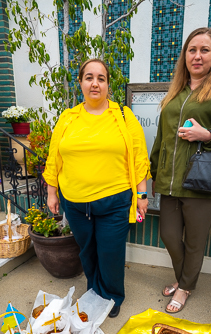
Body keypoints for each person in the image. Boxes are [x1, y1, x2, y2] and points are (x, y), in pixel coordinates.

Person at [43, 58, 150, 318]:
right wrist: (52, 192)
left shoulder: (123, 116)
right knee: (87, 250)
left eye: (101, 78)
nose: (95, 83)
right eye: (89, 77)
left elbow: (138, 157)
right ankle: (94, 290)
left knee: (110, 252)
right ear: (80, 82)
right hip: (76, 202)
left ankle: (111, 297)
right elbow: (54, 157)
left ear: (107, 85)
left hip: (114, 201)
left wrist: (142, 195)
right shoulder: (67, 118)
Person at [150, 27, 211, 313]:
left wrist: (208, 136)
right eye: (192, 50)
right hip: (169, 180)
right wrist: (154, 173)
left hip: (201, 182)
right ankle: (184, 279)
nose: (198, 56)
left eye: (205, 50)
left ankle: (185, 288)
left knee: (194, 240)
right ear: (185, 56)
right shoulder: (176, 91)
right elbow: (161, 137)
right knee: (168, 234)